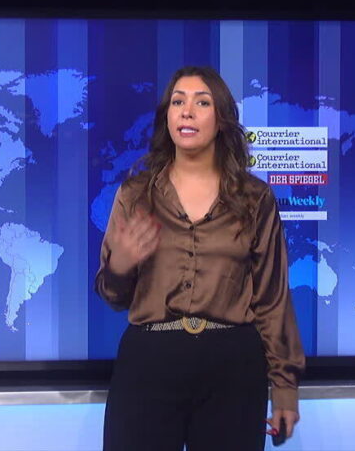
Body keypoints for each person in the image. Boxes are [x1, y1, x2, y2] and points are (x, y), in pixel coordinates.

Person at [95, 65, 306, 451]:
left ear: (221, 119)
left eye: (202, 102)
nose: (187, 111)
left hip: (233, 367)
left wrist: (285, 388)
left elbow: (272, 299)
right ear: (167, 117)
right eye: (178, 102)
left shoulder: (255, 198)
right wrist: (119, 266)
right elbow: (113, 296)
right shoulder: (135, 195)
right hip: (149, 362)